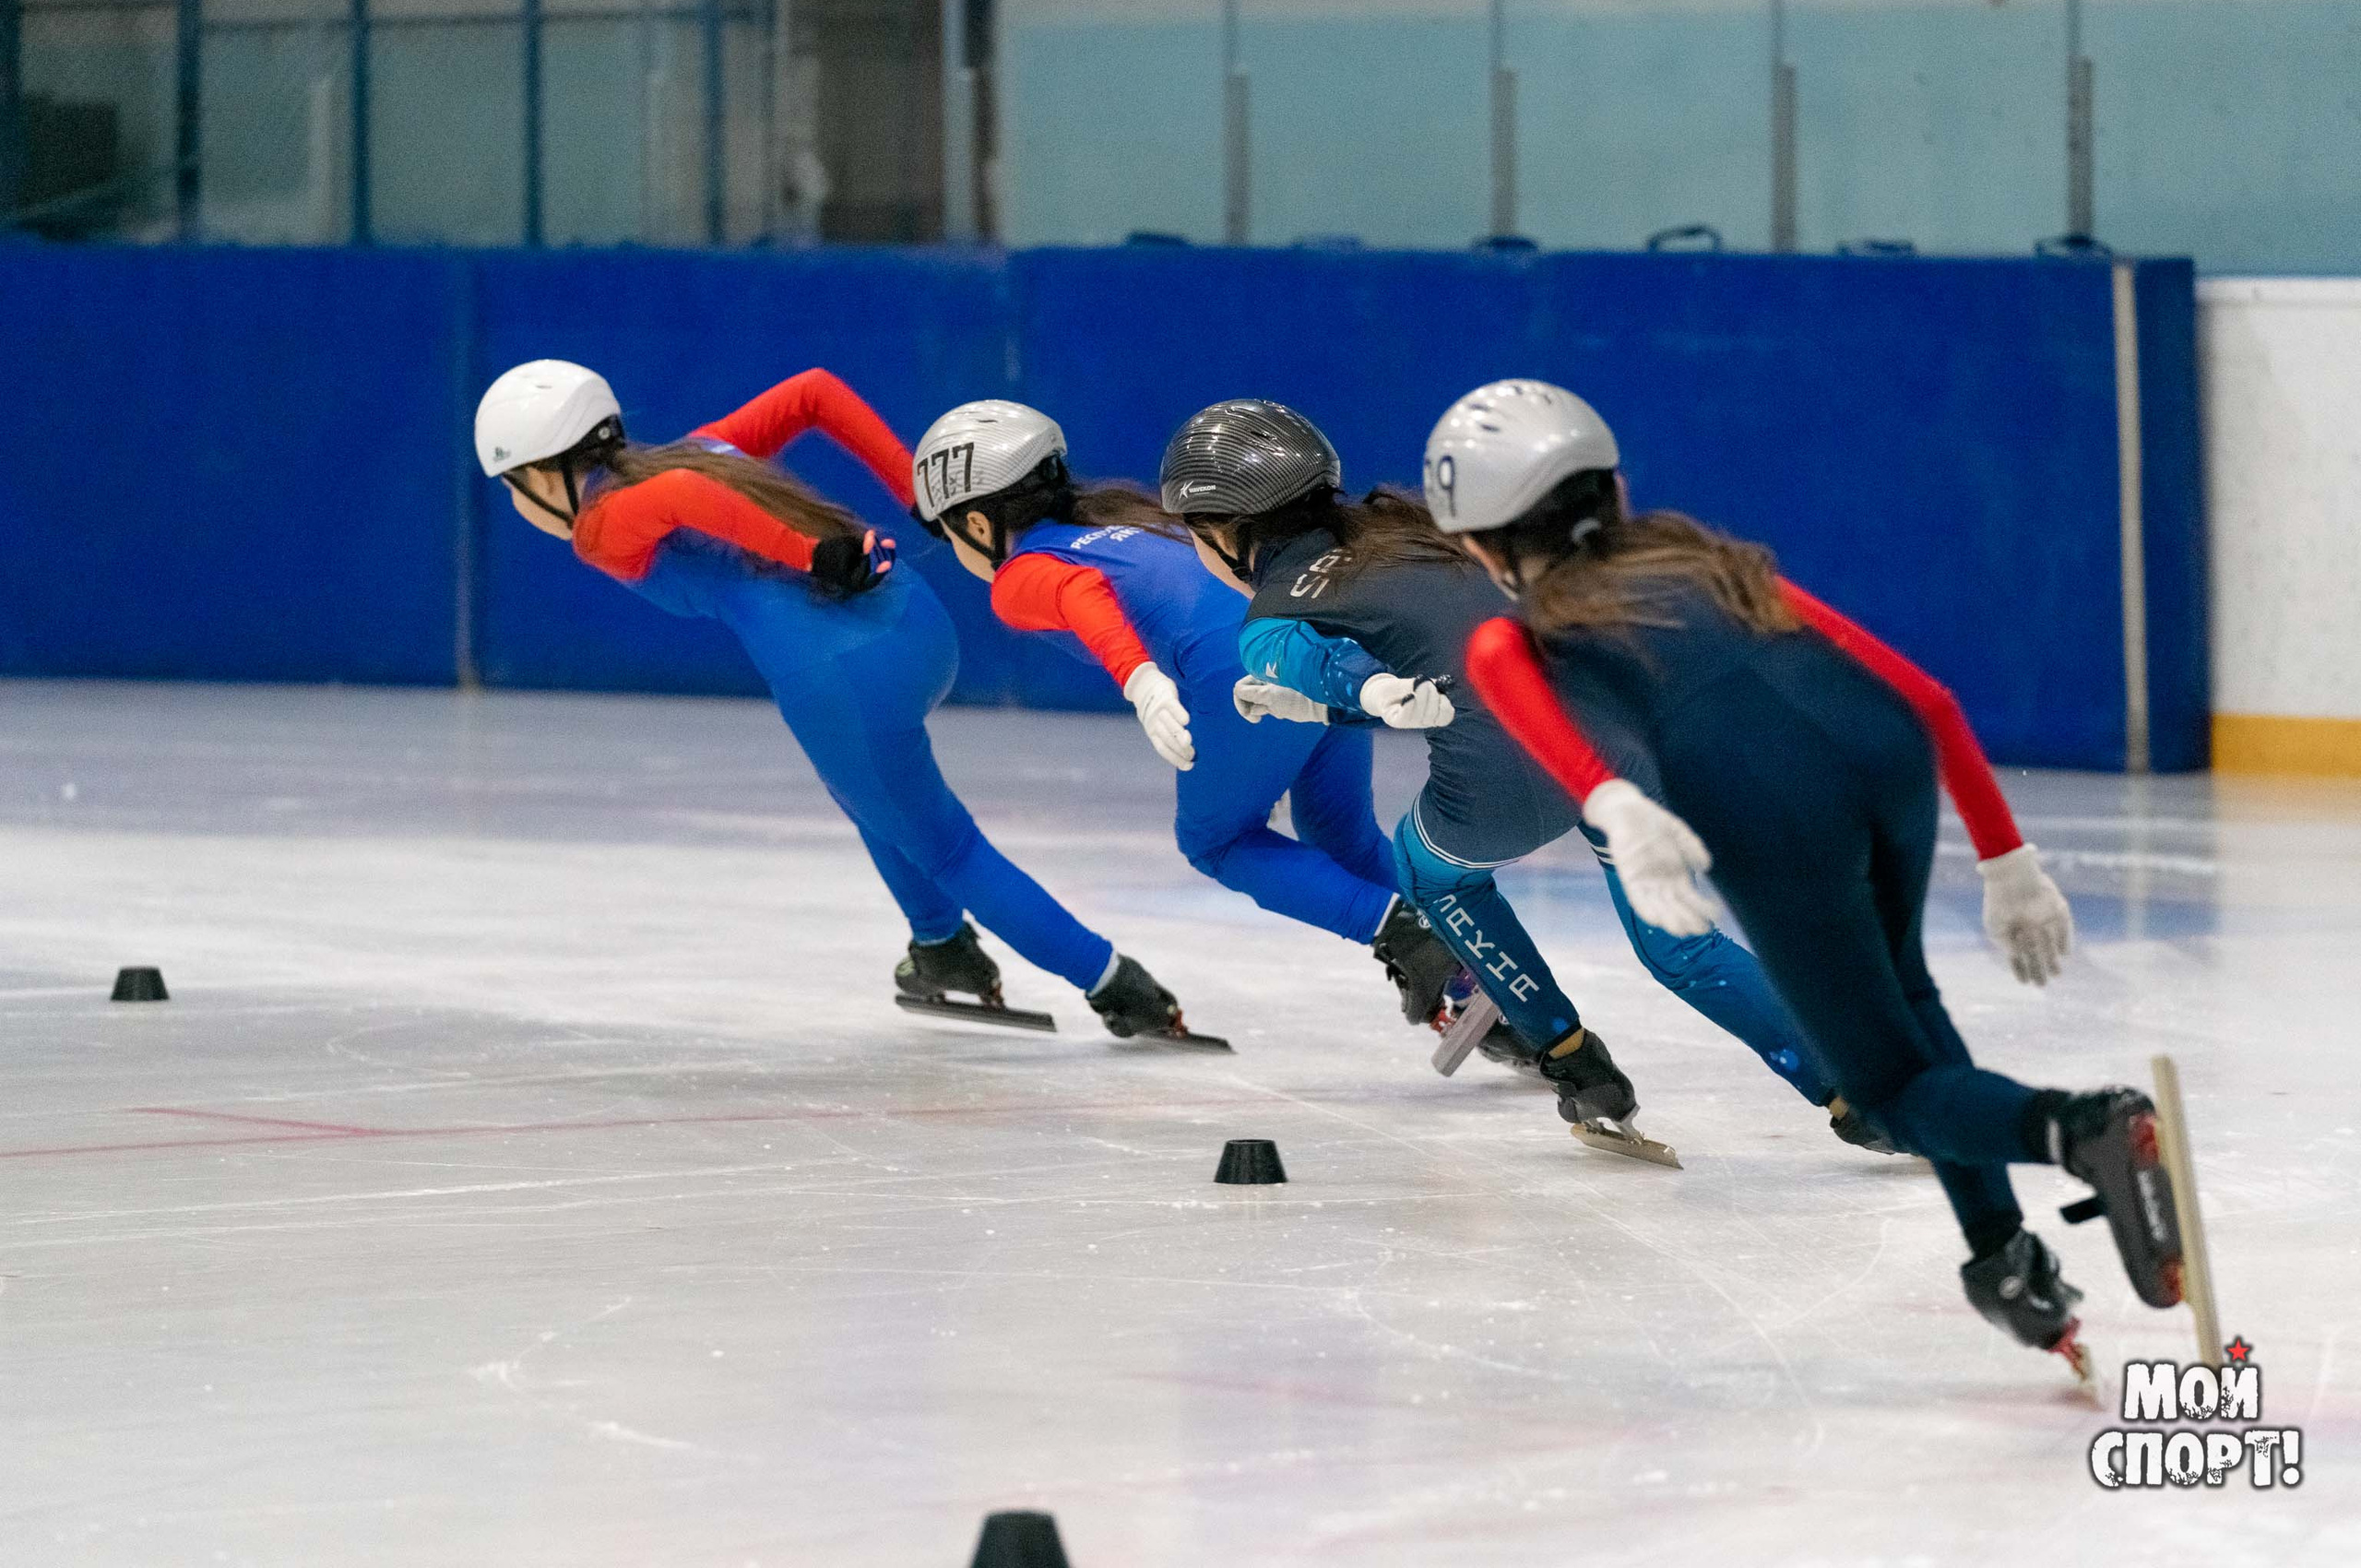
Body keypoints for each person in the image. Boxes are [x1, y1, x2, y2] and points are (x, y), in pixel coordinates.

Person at [1435, 376, 2181, 1368]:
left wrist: (1612, 802)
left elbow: (1505, 678)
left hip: (1772, 808)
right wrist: (2007, 859)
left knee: (1886, 1093)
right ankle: (2002, 1256)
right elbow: (1930, 699)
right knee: (1907, 1010)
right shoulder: (1712, 565)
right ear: (1610, 491)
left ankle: (2078, 1129)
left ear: (1482, 545)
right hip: (1886, 762)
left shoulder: (1519, 631)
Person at [1157, 398, 1869, 1144]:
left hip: (1509, 771)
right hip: (1617, 720)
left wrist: (1348, 692)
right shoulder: (1409, 529)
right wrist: (1344, 707)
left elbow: (1312, 662)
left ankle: (1572, 1061)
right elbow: (1436, 669)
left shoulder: (1271, 616)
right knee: (1680, 945)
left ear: (1223, 530)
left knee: (1424, 865)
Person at [470, 360, 1201, 1039]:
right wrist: (918, 498)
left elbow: (684, 499)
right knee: (870, 796)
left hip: (841, 678)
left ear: (543, 472)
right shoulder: (700, 446)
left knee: (947, 845)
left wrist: (809, 554)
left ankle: (1114, 983)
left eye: (512, 484)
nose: (517, 502)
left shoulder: (601, 524)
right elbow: (816, 393)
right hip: (916, 622)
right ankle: (941, 944)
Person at [908, 399, 1465, 994]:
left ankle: (1408, 936)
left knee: (1217, 841)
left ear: (973, 523)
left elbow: (1079, 592)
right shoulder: (1130, 521)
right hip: (1315, 636)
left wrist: (1140, 680)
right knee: (1341, 834)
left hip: (1241, 669)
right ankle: (1473, 975)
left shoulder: (1021, 574)